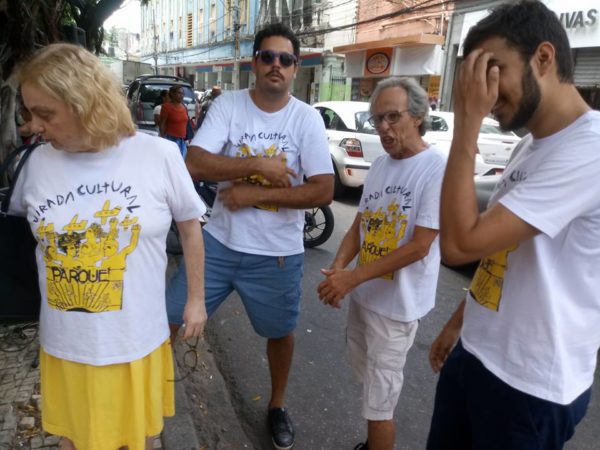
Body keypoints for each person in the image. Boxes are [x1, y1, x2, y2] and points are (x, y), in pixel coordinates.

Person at [12, 43, 207, 450]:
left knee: (142, 438)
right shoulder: (35, 164)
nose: (33, 126)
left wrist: (195, 300)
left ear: (83, 102)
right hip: (67, 342)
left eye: (45, 113)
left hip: (135, 340)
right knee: (74, 439)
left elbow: (190, 229)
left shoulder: (159, 155)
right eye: (29, 113)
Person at [427, 1, 600, 449]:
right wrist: (461, 322)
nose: (483, 89)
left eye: (493, 68)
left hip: (530, 387)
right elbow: (497, 250)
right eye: (472, 74)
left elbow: (459, 245)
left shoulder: (590, 150)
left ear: (543, 58)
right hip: (479, 355)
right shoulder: (532, 146)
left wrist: (466, 122)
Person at [166, 22, 333, 450]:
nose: (276, 65)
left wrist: (252, 192)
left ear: (295, 68)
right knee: (170, 315)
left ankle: (277, 405)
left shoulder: (307, 119)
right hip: (218, 243)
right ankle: (152, 386)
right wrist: (258, 163)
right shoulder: (230, 107)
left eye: (286, 59)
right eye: (268, 57)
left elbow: (323, 189)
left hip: (277, 254)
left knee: (280, 331)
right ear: (254, 64)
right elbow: (195, 163)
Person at [317, 77, 446, 450]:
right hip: (364, 298)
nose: (384, 128)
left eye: (393, 117)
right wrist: (339, 270)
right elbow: (360, 225)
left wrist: (351, 278)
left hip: (395, 310)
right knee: (368, 385)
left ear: (418, 116)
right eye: (377, 120)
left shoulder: (436, 167)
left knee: (380, 405)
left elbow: (420, 246)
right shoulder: (382, 165)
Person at [159, 85, 189, 158]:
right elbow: (162, 124)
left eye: (183, 93)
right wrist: (162, 139)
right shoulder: (166, 107)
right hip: (170, 139)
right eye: (179, 93)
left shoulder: (184, 107)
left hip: (182, 140)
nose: (181, 95)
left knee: (181, 162)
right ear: (172, 94)